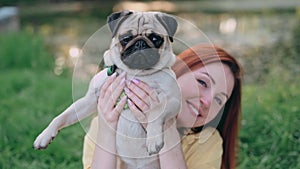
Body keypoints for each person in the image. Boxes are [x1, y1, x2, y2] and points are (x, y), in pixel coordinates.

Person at [82, 44, 243, 169]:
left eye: (219, 100)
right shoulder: (107, 123)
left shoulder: (206, 142)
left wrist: (166, 128)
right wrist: (108, 130)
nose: (207, 101)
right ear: (174, 72)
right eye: (202, 82)